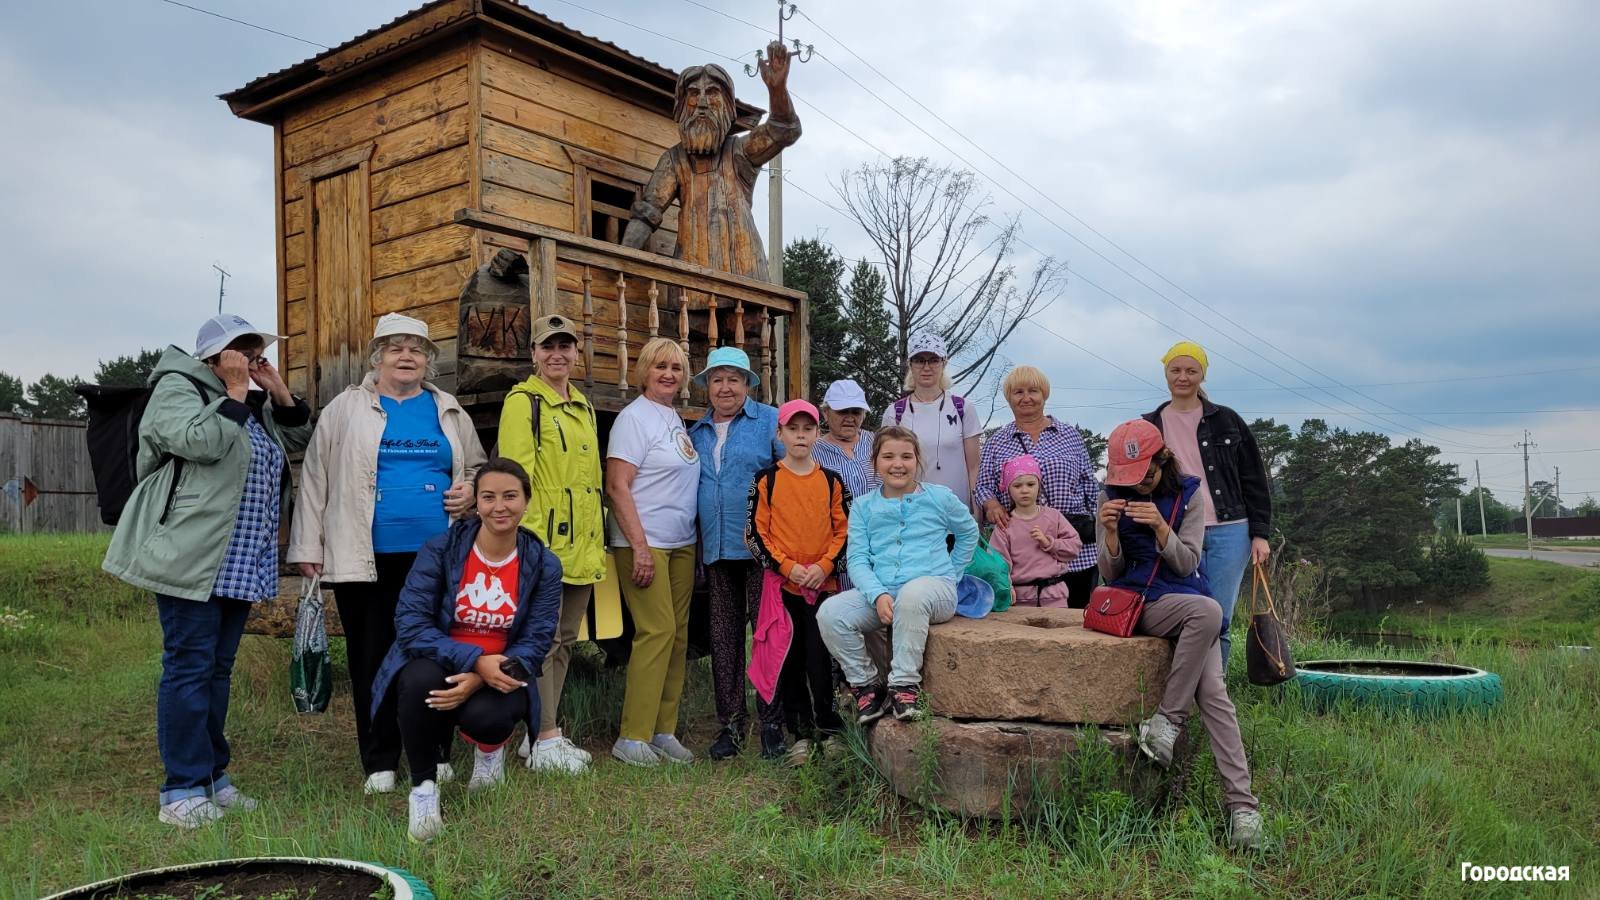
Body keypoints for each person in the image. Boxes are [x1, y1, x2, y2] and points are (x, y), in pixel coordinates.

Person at [103, 314, 313, 827]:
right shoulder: (177, 388)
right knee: (189, 667)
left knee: (216, 672)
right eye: (241, 349)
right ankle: (181, 789)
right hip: (191, 556)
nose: (250, 356)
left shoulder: (246, 402)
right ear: (213, 357)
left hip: (239, 562)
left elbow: (298, 439)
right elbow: (200, 443)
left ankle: (213, 779)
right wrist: (238, 390)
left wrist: (275, 388)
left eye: (256, 349)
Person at [288, 312, 485, 795]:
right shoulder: (345, 409)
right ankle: (380, 759)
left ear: (427, 362)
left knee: (435, 657)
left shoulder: (447, 408)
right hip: (365, 556)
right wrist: (307, 546)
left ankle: (434, 752)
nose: (406, 357)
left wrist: (470, 490)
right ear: (377, 357)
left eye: (416, 349)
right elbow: (314, 478)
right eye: (396, 348)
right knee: (372, 657)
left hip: (437, 558)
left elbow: (479, 466)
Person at [367, 459, 562, 842]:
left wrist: (483, 676)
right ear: (476, 503)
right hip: (441, 659)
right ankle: (423, 790)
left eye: (510, 496)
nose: (499, 507)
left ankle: (489, 753)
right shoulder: (441, 550)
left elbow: (537, 642)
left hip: (504, 671)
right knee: (418, 680)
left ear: (526, 501)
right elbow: (410, 623)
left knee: (491, 714)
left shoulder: (543, 564)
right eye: (488, 497)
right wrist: (473, 661)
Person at [1096, 419, 1263, 851]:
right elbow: (1110, 574)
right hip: (1140, 604)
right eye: (1129, 479)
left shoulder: (1189, 494)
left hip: (1184, 597)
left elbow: (1187, 564)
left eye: (1146, 476)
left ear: (1162, 459)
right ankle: (1168, 722)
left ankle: (1243, 809)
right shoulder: (1110, 494)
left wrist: (1160, 528)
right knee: (1207, 611)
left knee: (1215, 693)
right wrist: (1111, 534)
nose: (1138, 486)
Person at [497, 314, 606, 774]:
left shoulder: (583, 407)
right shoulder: (523, 402)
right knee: (538, 643)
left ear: (576, 354)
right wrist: (528, 544)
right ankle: (543, 737)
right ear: (535, 354)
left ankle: (541, 732)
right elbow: (513, 479)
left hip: (583, 544)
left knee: (563, 641)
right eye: (548, 347)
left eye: (566, 346)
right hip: (545, 546)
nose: (557, 354)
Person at [817, 426, 979, 723]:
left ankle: (904, 684)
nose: (898, 464)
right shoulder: (865, 506)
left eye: (906, 456)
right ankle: (867, 685)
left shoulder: (940, 498)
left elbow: (969, 532)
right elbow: (857, 558)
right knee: (830, 613)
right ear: (875, 463)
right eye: (888, 456)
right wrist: (877, 594)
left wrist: (951, 574)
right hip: (884, 594)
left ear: (918, 460)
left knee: (913, 593)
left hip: (934, 591)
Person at [1143, 341, 1272, 663]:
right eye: (1176, 370)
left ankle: (1216, 697)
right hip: (1178, 531)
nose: (1183, 377)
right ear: (1166, 374)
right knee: (1180, 613)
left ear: (1202, 375)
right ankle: (1181, 690)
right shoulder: (1150, 424)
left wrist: (1260, 533)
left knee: (1219, 617)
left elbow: (1254, 478)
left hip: (1230, 530)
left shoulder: (1227, 420)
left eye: (1191, 370)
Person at [605, 337, 702, 767]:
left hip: (681, 541)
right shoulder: (633, 419)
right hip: (644, 544)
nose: (668, 374)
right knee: (657, 630)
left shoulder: (674, 418)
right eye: (660, 366)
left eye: (677, 368)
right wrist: (640, 547)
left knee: (678, 636)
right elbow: (616, 485)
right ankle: (632, 736)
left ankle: (664, 731)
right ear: (643, 371)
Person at [686, 347, 783, 760]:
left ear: (747, 384)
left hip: (762, 550)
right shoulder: (696, 433)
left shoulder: (770, 422)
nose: (725, 387)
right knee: (724, 639)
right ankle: (730, 723)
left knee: (766, 636)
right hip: (717, 548)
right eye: (717, 379)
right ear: (707, 386)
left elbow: (791, 474)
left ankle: (773, 722)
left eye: (734, 379)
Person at [745, 399, 850, 764]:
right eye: (793, 429)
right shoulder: (767, 480)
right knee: (788, 660)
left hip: (823, 588)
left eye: (808, 429)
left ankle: (830, 730)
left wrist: (823, 566)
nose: (801, 436)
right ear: (780, 434)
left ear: (818, 434)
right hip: (784, 588)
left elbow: (845, 531)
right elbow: (756, 536)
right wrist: (788, 568)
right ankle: (800, 733)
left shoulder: (831, 481)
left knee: (822, 660)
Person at [973, 365, 1100, 607]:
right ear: (1009, 398)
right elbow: (982, 486)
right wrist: (991, 505)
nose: (1026, 398)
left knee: (1077, 627)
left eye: (1033, 391)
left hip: (1073, 547)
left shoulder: (1069, 436)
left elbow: (1089, 484)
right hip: (1023, 551)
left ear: (1045, 395)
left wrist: (1097, 526)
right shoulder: (997, 442)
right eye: (1018, 392)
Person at [881, 333, 981, 512]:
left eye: (933, 360)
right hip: (909, 515)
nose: (926, 367)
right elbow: (886, 468)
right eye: (919, 360)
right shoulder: (895, 413)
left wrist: (977, 514)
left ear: (944, 363)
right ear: (910, 364)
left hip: (955, 516)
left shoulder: (963, 408)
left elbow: (974, 467)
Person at [989, 455, 1082, 607]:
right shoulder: (1005, 524)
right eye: (1017, 486)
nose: (1024, 490)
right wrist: (1005, 587)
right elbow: (997, 563)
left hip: (1054, 597)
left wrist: (1049, 543)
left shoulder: (1054, 516)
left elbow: (1074, 547)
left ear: (1039, 485)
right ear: (1008, 489)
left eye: (1030, 484)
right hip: (1019, 600)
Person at [811, 379, 878, 504]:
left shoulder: (877, 443)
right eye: (842, 411)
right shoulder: (812, 452)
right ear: (826, 413)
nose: (850, 418)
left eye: (856, 412)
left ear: (863, 415)